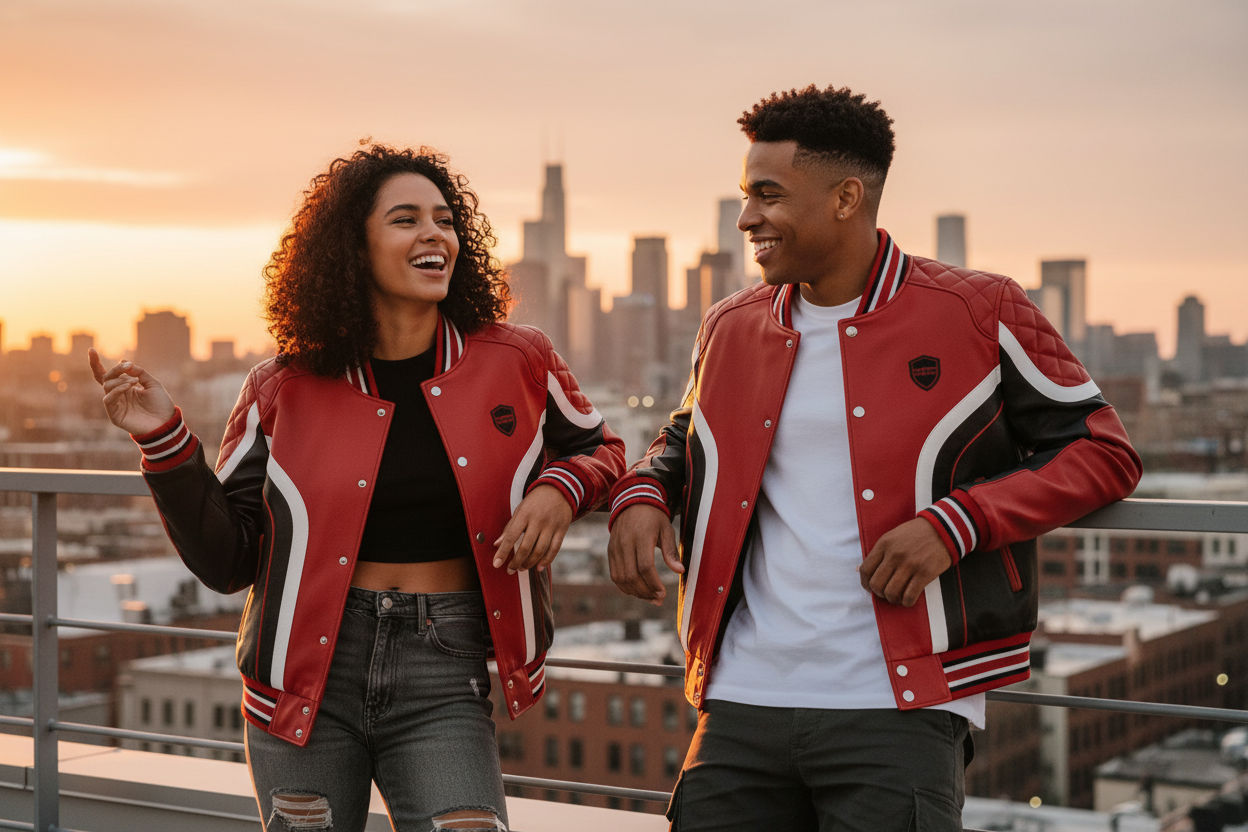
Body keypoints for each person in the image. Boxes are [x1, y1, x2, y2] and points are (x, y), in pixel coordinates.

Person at [606, 86, 1142, 831]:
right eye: (744, 194)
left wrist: (955, 524)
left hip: (899, 708)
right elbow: (684, 440)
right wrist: (641, 494)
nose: (746, 218)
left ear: (846, 197)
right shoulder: (729, 325)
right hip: (740, 698)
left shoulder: (979, 310)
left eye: (768, 194)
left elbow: (1102, 452)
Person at [90, 144, 626, 832]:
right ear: (354, 248)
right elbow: (228, 560)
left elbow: (604, 449)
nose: (434, 234)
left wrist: (559, 488)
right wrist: (162, 437)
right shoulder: (280, 387)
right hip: (304, 676)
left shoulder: (519, 359)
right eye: (405, 220)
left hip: (447, 669)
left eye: (443, 219)